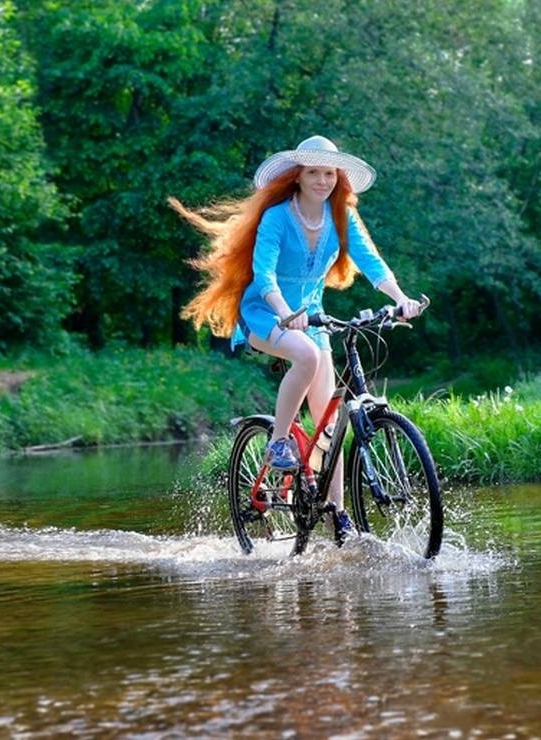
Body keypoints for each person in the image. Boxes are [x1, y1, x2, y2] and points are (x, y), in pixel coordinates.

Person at [169, 135, 422, 535]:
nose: (322, 180)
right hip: (265, 313)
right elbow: (264, 275)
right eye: (313, 173)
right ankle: (279, 442)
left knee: (331, 421)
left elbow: (372, 262)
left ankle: (338, 514)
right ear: (298, 177)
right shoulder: (277, 217)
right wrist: (286, 313)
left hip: (313, 317)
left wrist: (401, 298)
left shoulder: (341, 217)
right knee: (305, 356)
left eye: (329, 173)